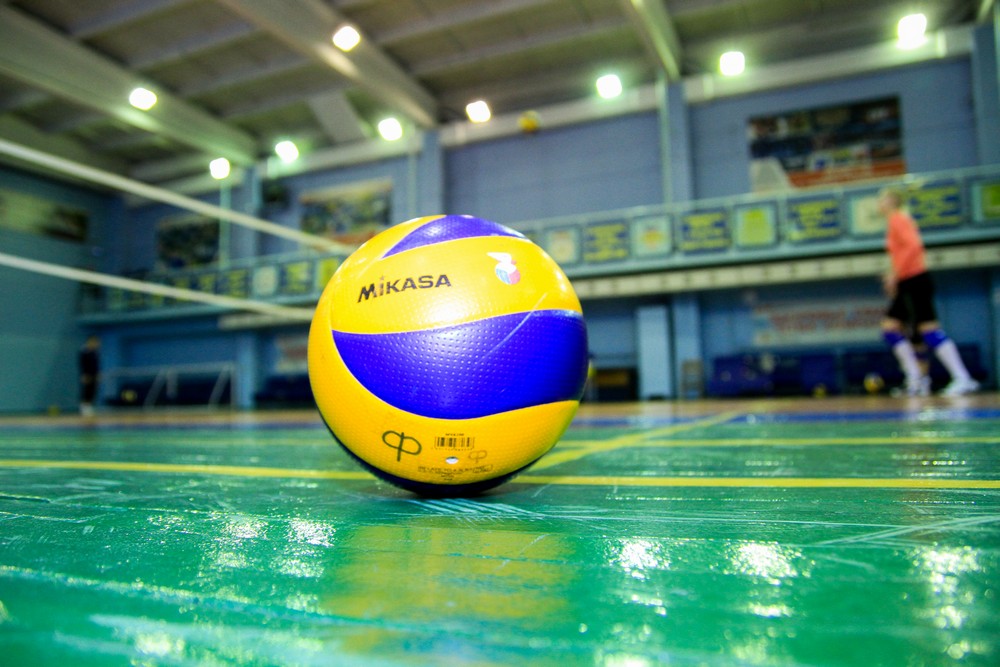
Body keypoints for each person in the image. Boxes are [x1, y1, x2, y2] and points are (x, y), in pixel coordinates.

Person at [878, 187, 978, 396]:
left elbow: (914, 246)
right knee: (892, 329)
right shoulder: (896, 221)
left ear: (891, 201)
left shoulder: (898, 219)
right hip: (908, 281)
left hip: (915, 280)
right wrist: (894, 275)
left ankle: (961, 378)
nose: (879, 203)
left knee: (928, 330)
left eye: (882, 199)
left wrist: (895, 274)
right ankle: (917, 379)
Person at [79, 335, 101, 416]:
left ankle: (90, 406)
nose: (96, 344)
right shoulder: (84, 352)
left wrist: (98, 374)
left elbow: (96, 365)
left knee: (93, 390)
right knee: (87, 390)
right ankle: (84, 407)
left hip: (94, 374)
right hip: (87, 374)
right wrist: (84, 374)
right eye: (94, 342)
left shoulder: (95, 352)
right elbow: (82, 364)